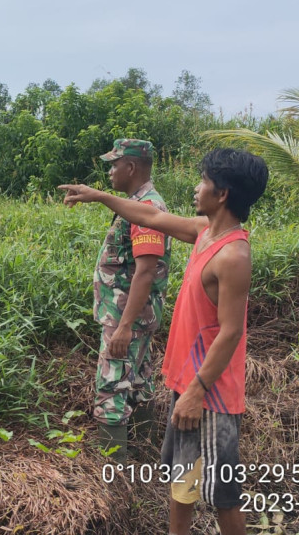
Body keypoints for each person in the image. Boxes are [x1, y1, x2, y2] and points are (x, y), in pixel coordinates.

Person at [60, 148, 268, 535]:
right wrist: (100, 195)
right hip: (187, 382)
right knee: (182, 477)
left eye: (203, 181)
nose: (196, 187)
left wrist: (197, 392)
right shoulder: (204, 233)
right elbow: (151, 216)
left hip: (211, 393)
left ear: (222, 193)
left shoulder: (233, 254)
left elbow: (231, 331)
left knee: (222, 494)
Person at [89, 139, 171, 464]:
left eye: (114, 165)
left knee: (111, 389)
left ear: (131, 168)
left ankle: (111, 474)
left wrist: (123, 328)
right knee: (138, 381)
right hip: (132, 318)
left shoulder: (147, 209)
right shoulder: (138, 204)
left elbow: (146, 271)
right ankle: (145, 455)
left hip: (128, 320)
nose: (110, 172)